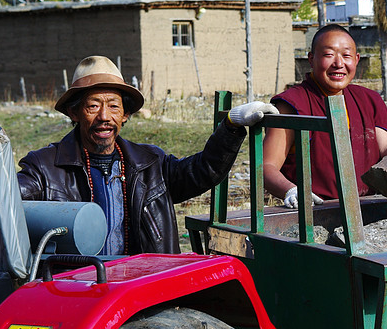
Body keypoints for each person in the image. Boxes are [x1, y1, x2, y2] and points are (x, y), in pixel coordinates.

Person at [17, 55, 277, 254]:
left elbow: (203, 171)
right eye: (93, 106)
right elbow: (6, 200)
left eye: (114, 106)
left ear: (126, 114)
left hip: (140, 287)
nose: (104, 117)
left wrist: (230, 127)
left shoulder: (150, 164)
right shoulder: (45, 168)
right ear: (74, 113)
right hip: (75, 290)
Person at [263, 24, 387, 204]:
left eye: (346, 55)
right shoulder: (291, 103)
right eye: (329, 55)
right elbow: (266, 166)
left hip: (369, 206)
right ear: (311, 59)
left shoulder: (369, 99)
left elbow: (386, 148)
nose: (339, 64)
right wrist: (292, 191)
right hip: (314, 211)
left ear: (357, 59)